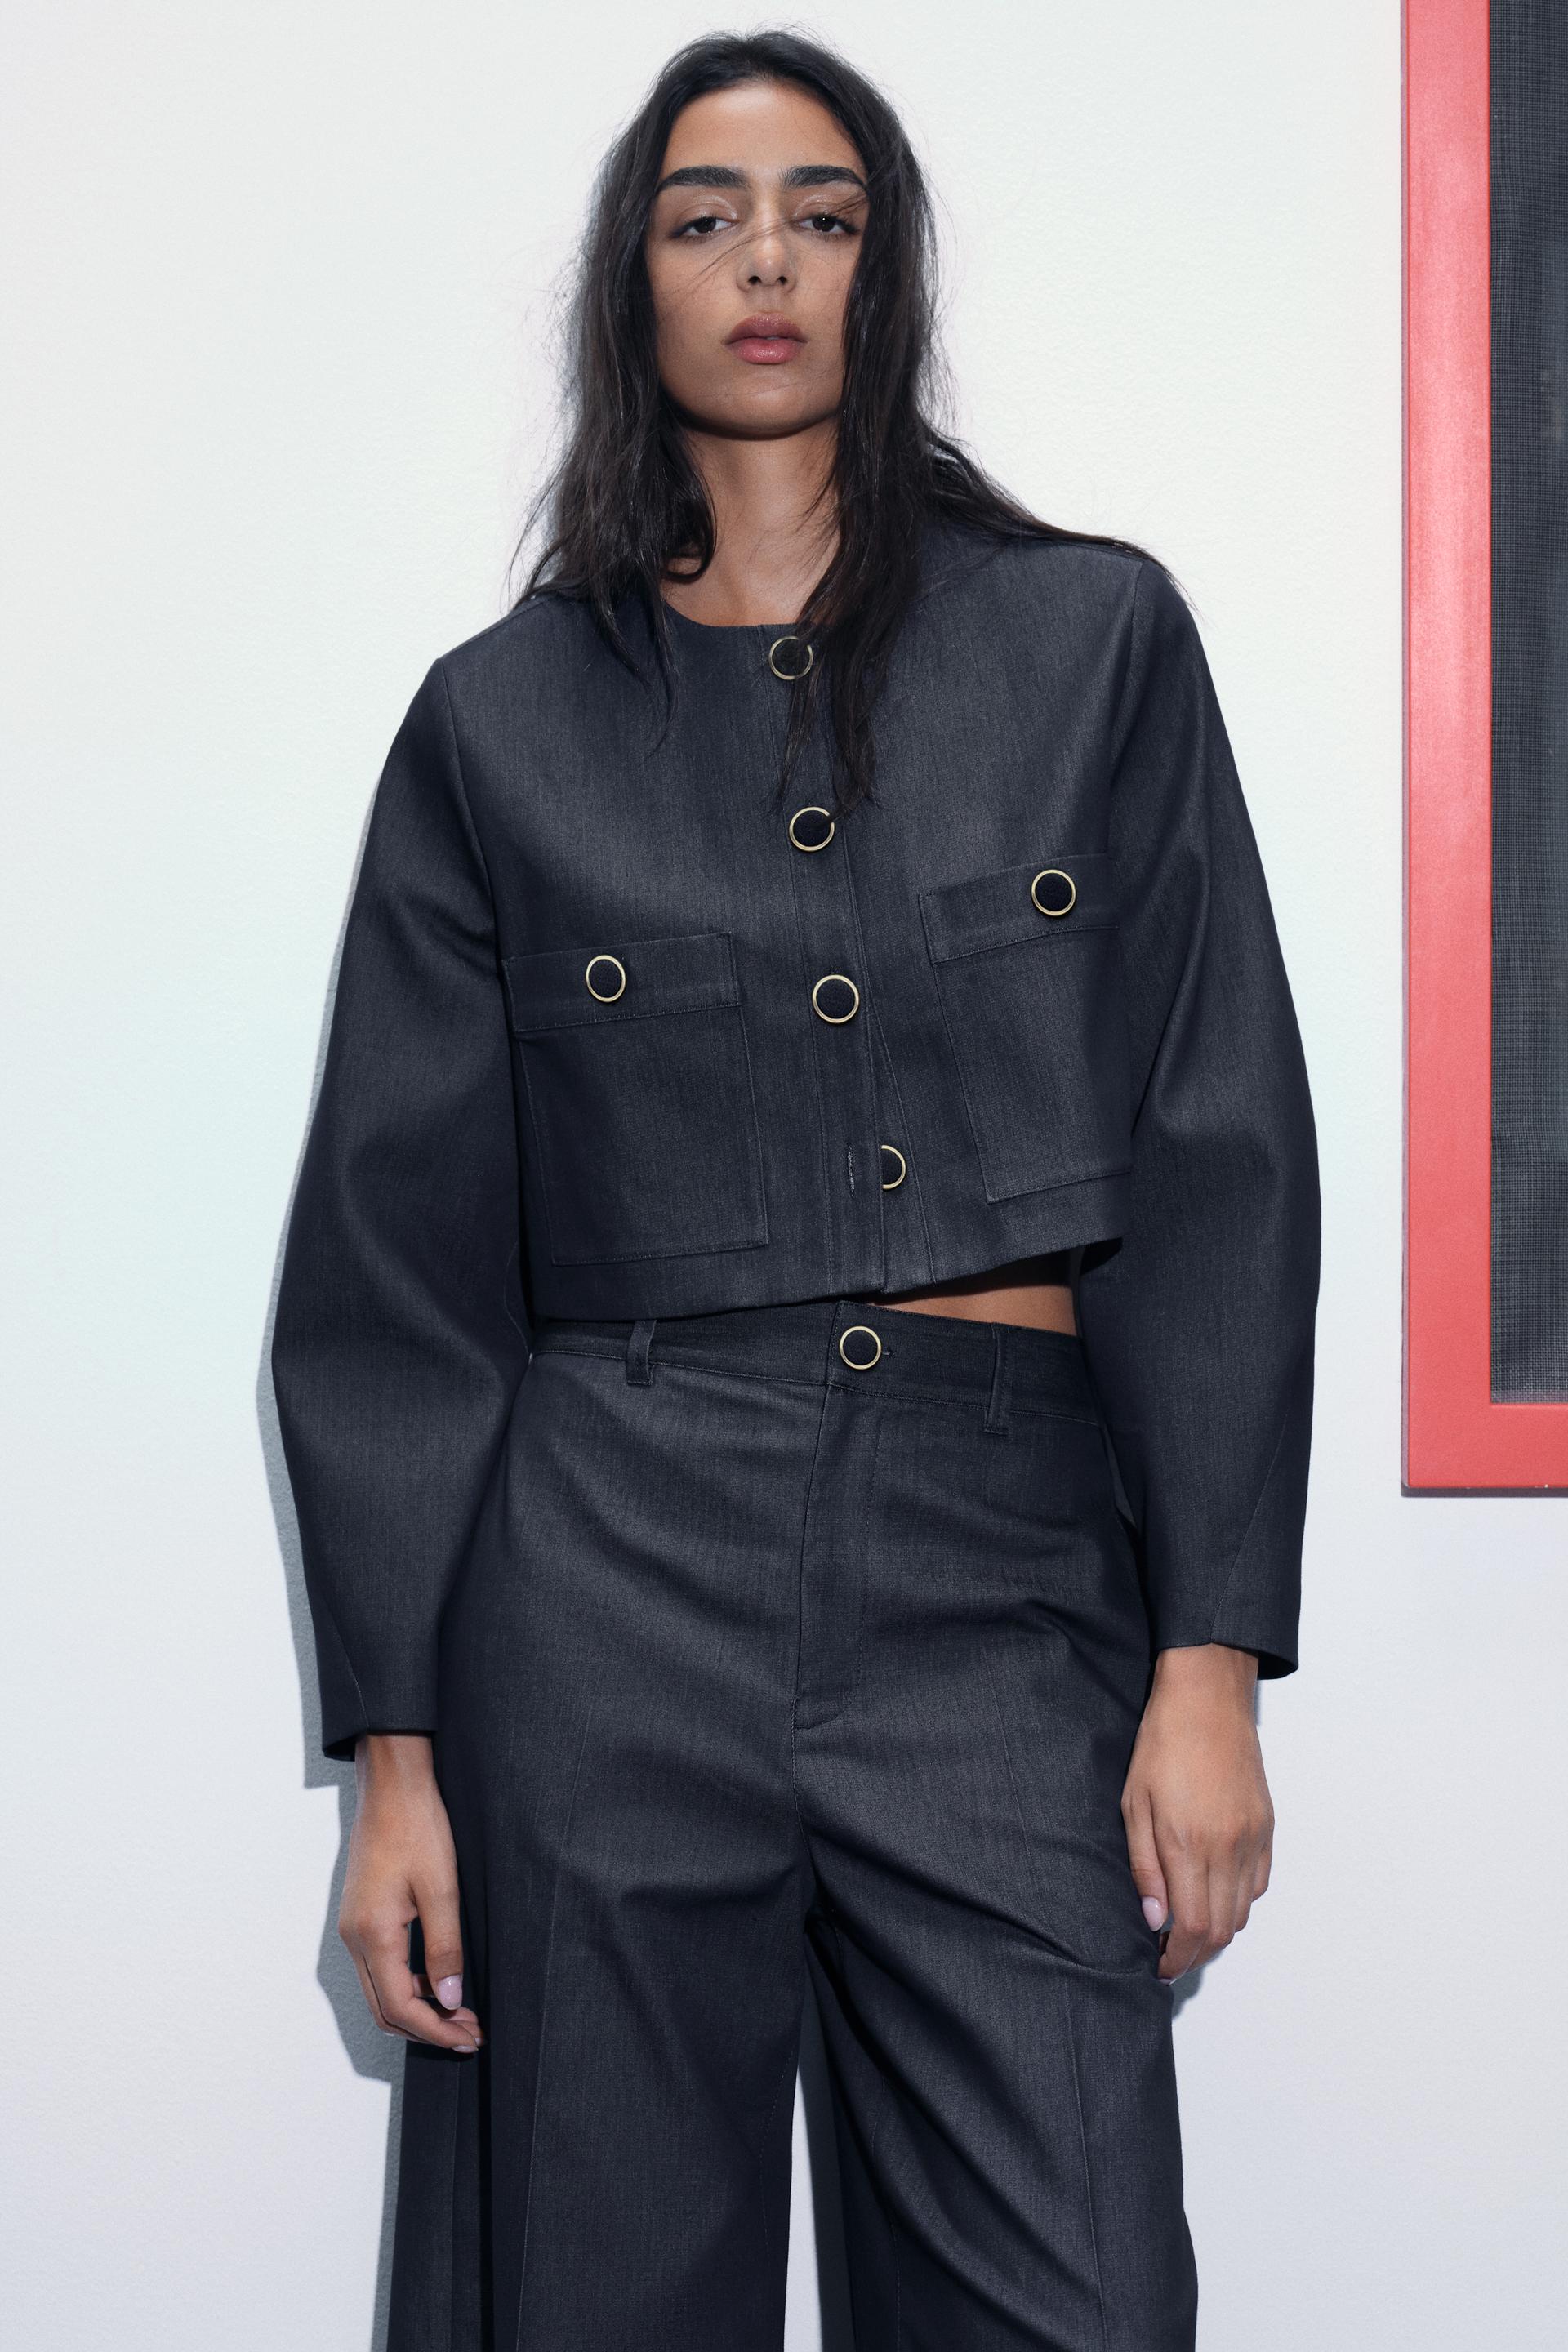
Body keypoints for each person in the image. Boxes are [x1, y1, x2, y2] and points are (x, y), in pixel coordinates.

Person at [271, 30, 1319, 2352]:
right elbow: (396, 1269)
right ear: (632, 280)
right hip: (605, 1584)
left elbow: (1221, 1154)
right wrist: (397, 1761)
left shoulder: (1094, 644)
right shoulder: (496, 723)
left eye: (824, 216)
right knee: (588, 2288)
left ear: (887, 269)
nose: (767, 261)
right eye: (707, 216)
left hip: (1002, 1579)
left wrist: (1211, 1657)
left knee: (1079, 2291)